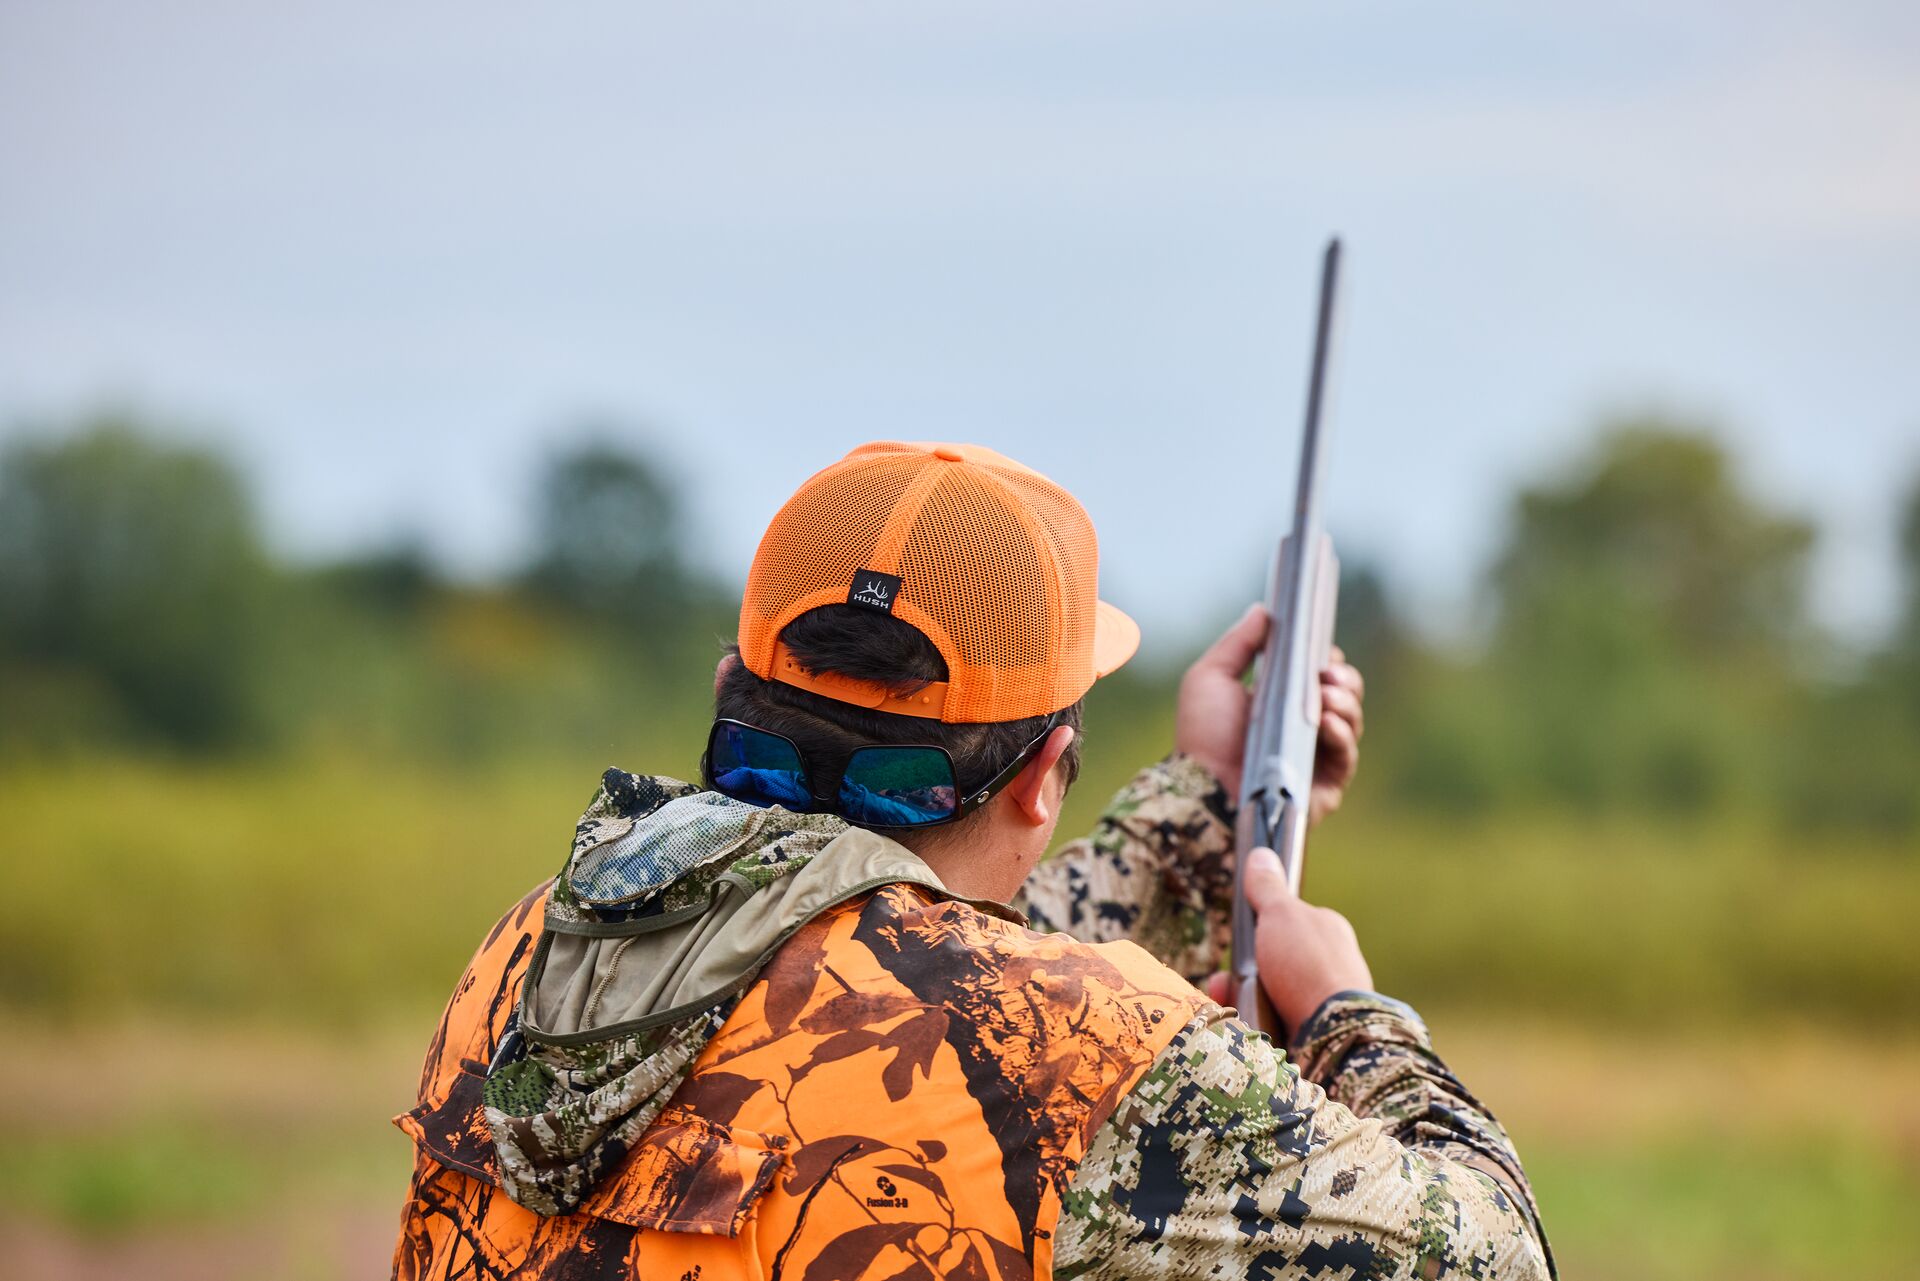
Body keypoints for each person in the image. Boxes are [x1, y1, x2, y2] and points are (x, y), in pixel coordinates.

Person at [390, 441, 1553, 1280]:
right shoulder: (1083, 1053)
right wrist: (1348, 1010)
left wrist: (1204, 806)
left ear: (724, 693)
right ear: (1050, 772)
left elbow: (877, 973)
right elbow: (1491, 1257)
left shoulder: (543, 941)